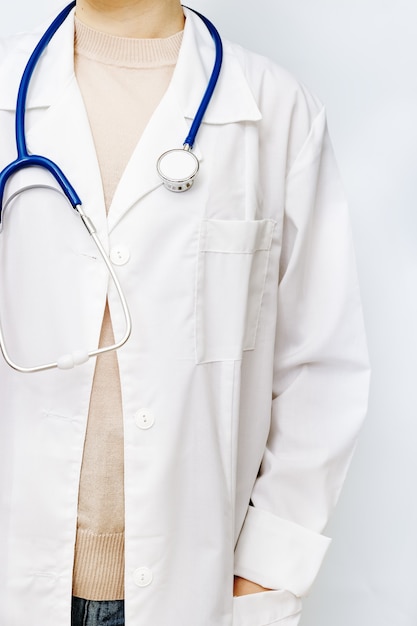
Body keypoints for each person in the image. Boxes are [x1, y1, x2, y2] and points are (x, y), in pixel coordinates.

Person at [0, 1, 370, 625]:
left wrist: (265, 574)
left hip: (192, 589)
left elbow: (320, 369)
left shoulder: (272, 111)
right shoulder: (9, 87)